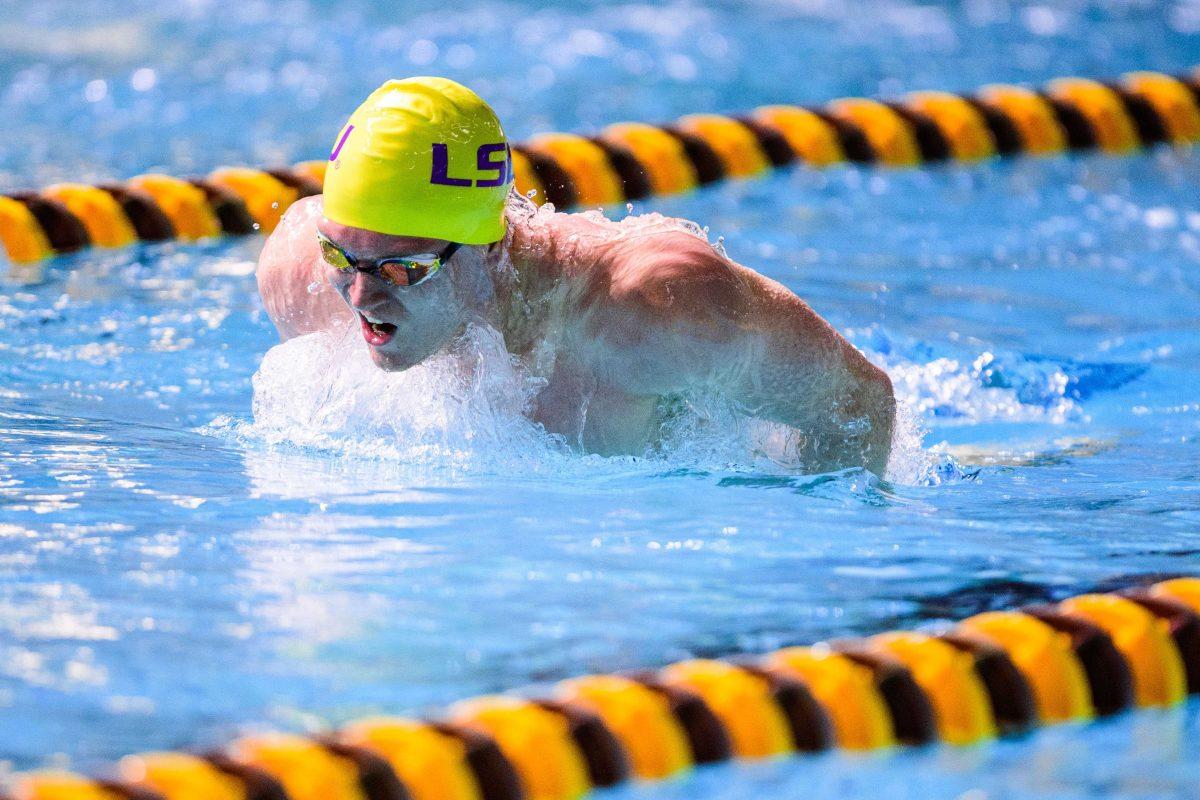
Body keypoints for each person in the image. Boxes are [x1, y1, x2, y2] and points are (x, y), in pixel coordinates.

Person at [256, 77, 895, 473]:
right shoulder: (301, 275)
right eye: (343, 256)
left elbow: (857, 407)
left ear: (489, 246)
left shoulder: (654, 310)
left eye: (403, 267)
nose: (363, 296)